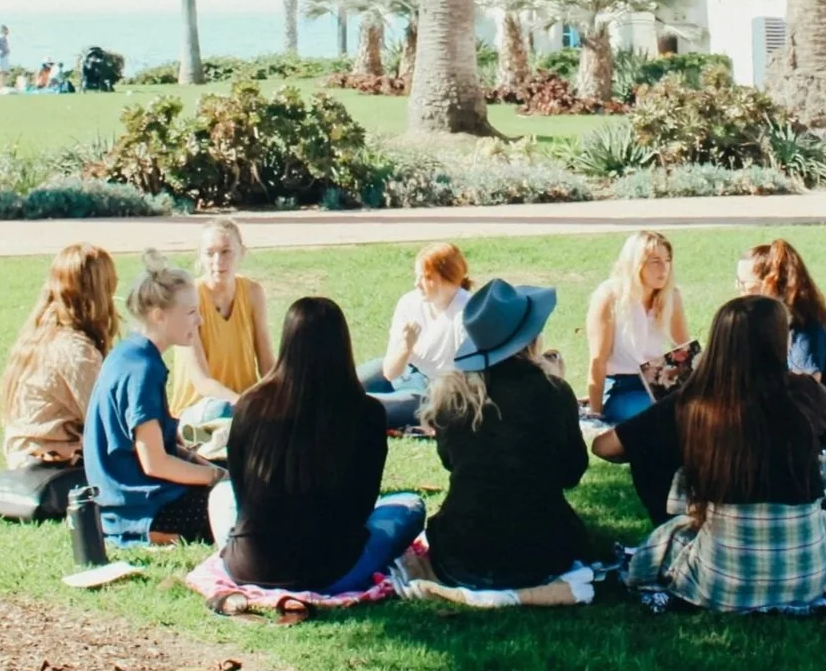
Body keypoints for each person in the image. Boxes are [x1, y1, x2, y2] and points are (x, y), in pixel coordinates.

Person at [616, 296, 826, 612]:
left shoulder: (693, 401)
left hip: (721, 581)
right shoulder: (805, 391)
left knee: (647, 449)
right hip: (811, 574)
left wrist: (675, 436)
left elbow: (606, 446)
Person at [217, 297, 425, 593]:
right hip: (333, 570)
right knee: (410, 506)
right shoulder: (365, 412)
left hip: (247, 565)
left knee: (220, 493)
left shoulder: (251, 404)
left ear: (287, 342)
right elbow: (363, 503)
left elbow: (240, 490)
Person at [421, 280, 590, 589]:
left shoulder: (452, 397)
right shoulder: (553, 392)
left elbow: (449, 461)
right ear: (530, 338)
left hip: (460, 551)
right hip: (540, 553)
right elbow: (571, 472)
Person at [83, 252, 228, 546]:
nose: (199, 320)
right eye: (190, 313)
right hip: (140, 507)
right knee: (242, 500)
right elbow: (155, 463)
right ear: (158, 315)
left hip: (125, 500)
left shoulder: (131, 353)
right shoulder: (142, 369)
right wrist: (215, 477)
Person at [0, 243, 118, 469]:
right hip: (48, 460)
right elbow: (109, 424)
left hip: (26, 454)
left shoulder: (42, 335)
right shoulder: (75, 352)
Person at [166, 218, 276, 417]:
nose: (218, 261)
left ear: (241, 252)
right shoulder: (188, 298)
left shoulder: (253, 293)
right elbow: (202, 381)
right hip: (200, 413)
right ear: (200, 256)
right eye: (210, 253)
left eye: (226, 251)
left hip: (244, 409)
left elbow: (267, 365)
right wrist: (245, 406)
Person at [358, 244, 474, 430]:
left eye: (425, 277)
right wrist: (406, 347)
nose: (417, 284)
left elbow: (467, 378)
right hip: (404, 370)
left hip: (432, 391)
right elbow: (390, 372)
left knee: (363, 407)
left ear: (447, 277)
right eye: (416, 276)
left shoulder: (466, 312)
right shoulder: (409, 302)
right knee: (342, 380)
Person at [585, 231, 691, 425]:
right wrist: (595, 411)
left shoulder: (671, 297)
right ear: (636, 264)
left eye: (667, 260)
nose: (664, 268)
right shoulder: (610, 296)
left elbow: (684, 351)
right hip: (620, 384)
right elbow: (597, 360)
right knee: (656, 416)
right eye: (655, 261)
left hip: (659, 382)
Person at [738, 240, 826, 408]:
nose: (739, 290)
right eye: (738, 282)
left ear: (770, 283)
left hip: (824, 419)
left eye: (745, 284)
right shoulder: (759, 323)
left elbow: (805, 392)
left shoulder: (806, 327)